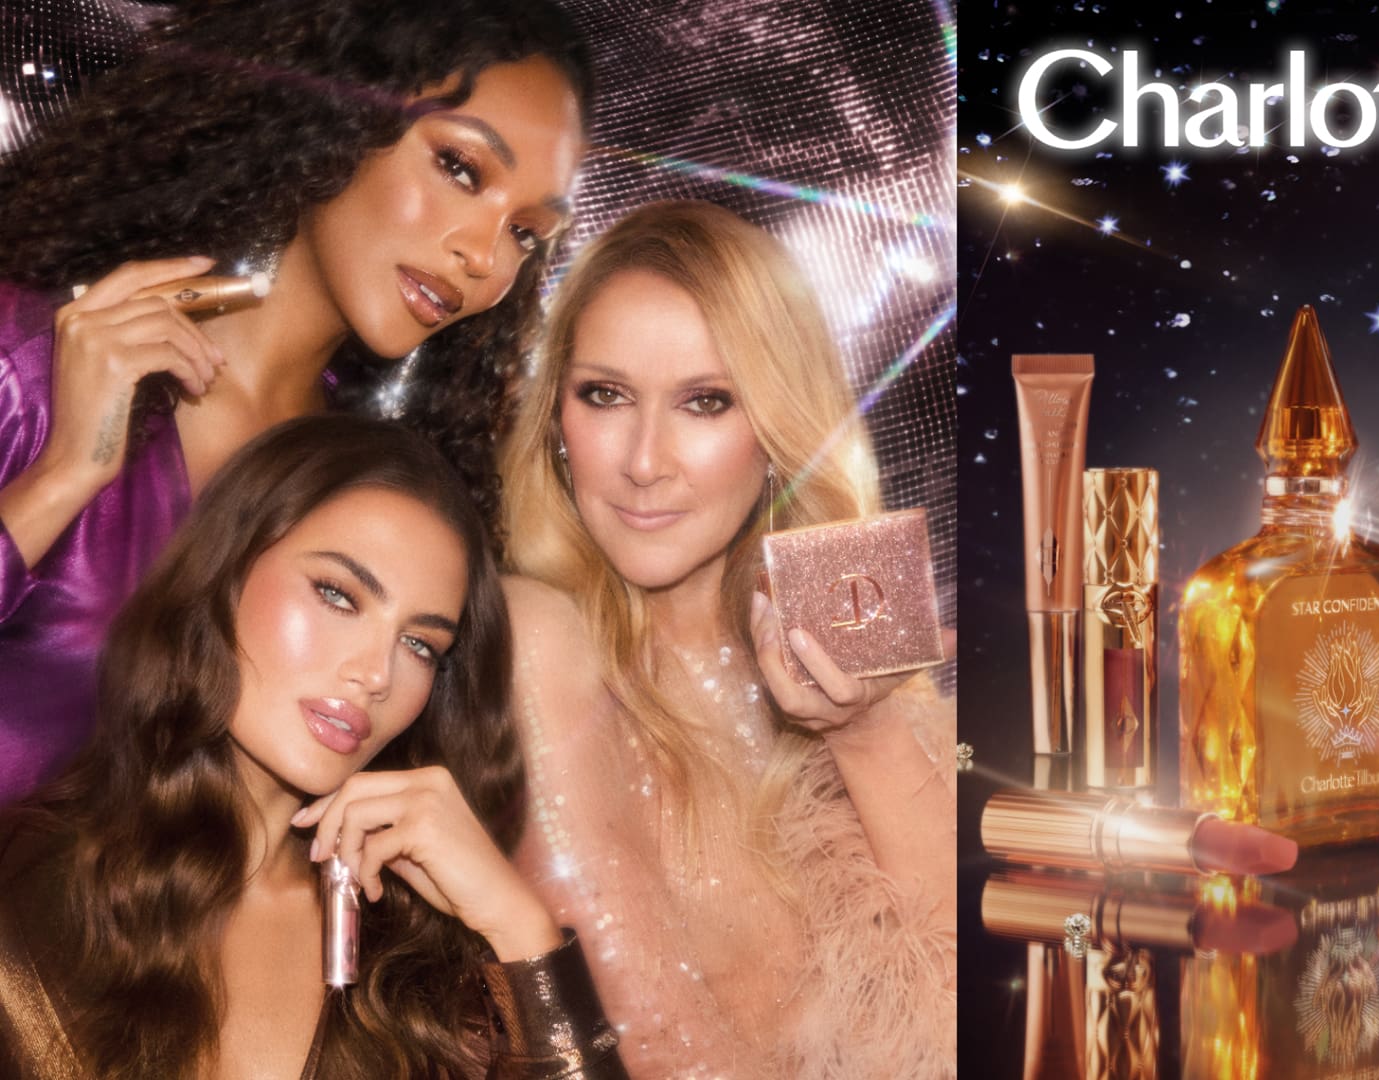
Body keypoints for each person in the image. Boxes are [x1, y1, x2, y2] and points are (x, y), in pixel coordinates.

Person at [0, 0, 591, 801]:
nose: (483, 258)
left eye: (526, 233)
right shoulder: (29, 354)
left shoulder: (367, 501)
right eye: (460, 168)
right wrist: (66, 472)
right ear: (338, 111)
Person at [0, 415, 626, 1080]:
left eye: (420, 645)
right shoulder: (23, 890)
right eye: (338, 594)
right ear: (226, 571)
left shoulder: (428, 960)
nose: (376, 674)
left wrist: (520, 926)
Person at [498, 200, 957, 1078]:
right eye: (605, 395)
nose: (643, 459)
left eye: (705, 402)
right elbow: (654, 1039)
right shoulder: (537, 637)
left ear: (777, 431)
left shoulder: (840, 647)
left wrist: (865, 731)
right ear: (557, 419)